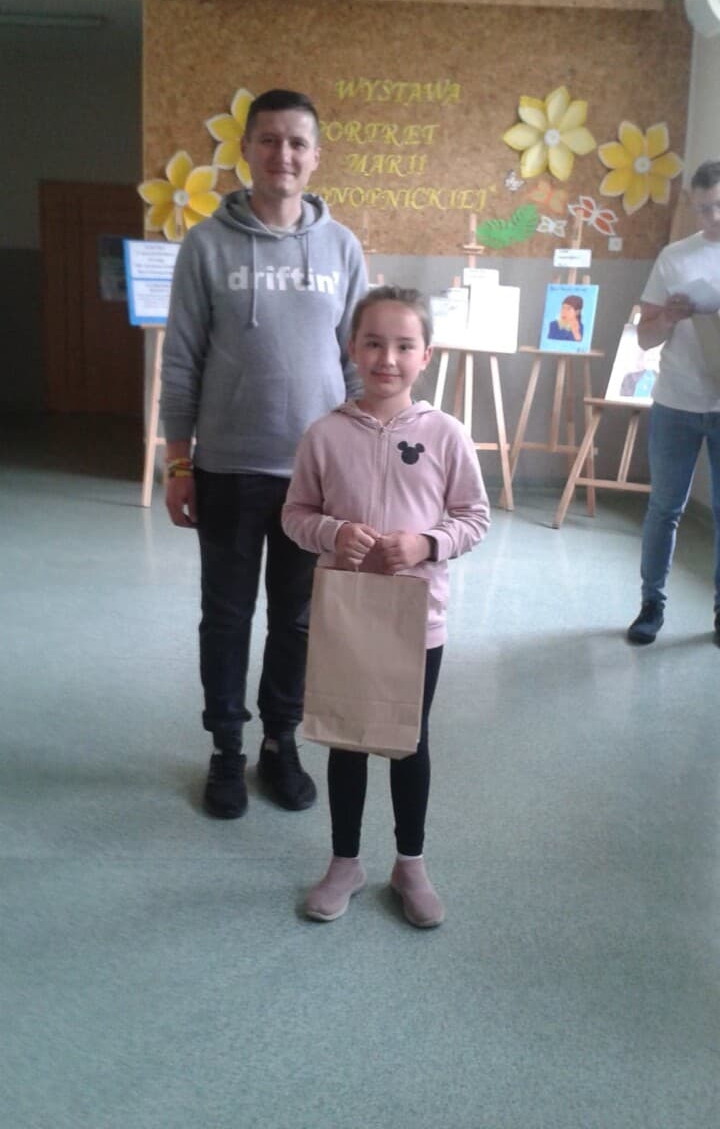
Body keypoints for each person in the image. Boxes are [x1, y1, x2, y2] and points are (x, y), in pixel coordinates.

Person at [160, 89, 367, 817]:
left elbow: (357, 363)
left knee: (299, 621)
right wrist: (178, 462)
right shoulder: (207, 245)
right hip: (227, 471)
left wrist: (361, 458)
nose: (284, 154)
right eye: (270, 140)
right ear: (245, 150)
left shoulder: (341, 247)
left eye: (297, 143)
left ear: (316, 156)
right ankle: (226, 748)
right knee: (226, 618)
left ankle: (280, 742)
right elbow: (181, 361)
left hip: (315, 478)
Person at [282, 286, 490, 927]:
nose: (387, 358)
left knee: (407, 739)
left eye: (404, 345)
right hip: (345, 615)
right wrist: (332, 533)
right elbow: (295, 514)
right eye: (374, 343)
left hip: (416, 619)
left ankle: (410, 863)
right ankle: (345, 861)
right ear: (352, 348)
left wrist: (427, 543)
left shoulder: (446, 434)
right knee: (346, 738)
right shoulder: (324, 434)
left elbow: (474, 517)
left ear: (426, 355)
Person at [627, 159, 720, 645]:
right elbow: (644, 337)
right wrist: (668, 316)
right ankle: (651, 605)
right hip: (676, 403)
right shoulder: (675, 257)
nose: (714, 217)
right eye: (704, 209)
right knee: (664, 508)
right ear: (693, 207)